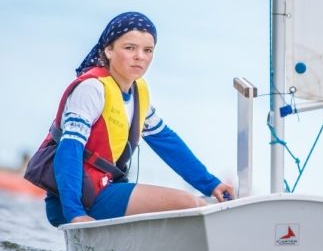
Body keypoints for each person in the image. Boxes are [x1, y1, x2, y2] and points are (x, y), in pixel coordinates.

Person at [26, 11, 234, 226]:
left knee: (200, 203)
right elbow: (69, 150)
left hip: (104, 190)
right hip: (77, 199)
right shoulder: (91, 89)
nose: (140, 56)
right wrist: (74, 212)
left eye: (148, 50)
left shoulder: (138, 93)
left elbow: (168, 144)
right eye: (130, 48)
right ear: (108, 50)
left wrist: (211, 185)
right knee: (190, 204)